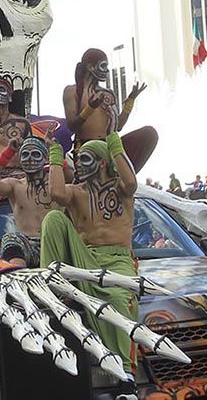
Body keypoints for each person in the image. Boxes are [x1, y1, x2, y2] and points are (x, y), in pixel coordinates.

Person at [42, 127, 139, 385]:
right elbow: (56, 194)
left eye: (85, 159)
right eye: (77, 159)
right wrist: (54, 152)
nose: (79, 165)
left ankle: (125, 372)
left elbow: (131, 182)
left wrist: (113, 139)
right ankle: (49, 283)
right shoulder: (76, 191)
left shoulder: (122, 190)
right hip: (84, 258)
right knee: (53, 218)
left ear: (103, 162)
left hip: (117, 260)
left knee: (119, 299)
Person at [63, 48, 155, 172]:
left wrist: (130, 101)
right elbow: (72, 125)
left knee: (149, 134)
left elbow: (118, 126)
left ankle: (122, 178)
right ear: (90, 67)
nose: (106, 70)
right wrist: (90, 108)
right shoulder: (72, 91)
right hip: (86, 148)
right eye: (103, 66)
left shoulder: (108, 94)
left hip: (109, 146)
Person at [0, 136, 63, 267]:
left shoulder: (56, 186)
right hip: (27, 246)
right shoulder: (15, 185)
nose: (30, 158)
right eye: (25, 154)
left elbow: (72, 178)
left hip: (54, 247)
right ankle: (19, 278)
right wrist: (8, 153)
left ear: (45, 158)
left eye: (36, 154)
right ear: (20, 159)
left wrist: (55, 152)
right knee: (10, 239)